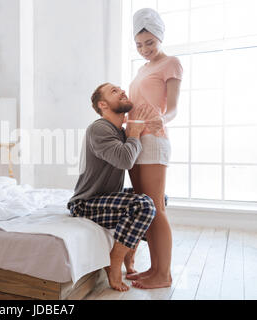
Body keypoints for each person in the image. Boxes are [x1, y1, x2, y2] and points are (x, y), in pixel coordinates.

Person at [67, 82, 156, 292]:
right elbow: (125, 160)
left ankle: (129, 258)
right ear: (103, 105)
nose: (123, 91)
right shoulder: (99, 128)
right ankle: (114, 262)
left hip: (106, 199)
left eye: (120, 88)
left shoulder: (120, 131)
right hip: (86, 203)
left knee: (158, 198)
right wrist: (133, 133)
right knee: (144, 205)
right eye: (114, 91)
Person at [124, 8, 183, 289]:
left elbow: (172, 110)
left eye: (149, 42)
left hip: (154, 140)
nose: (144, 49)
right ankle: (154, 269)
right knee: (144, 207)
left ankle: (164, 273)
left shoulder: (171, 64)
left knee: (156, 207)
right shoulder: (142, 69)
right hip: (135, 140)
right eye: (139, 44)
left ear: (159, 37)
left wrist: (162, 119)